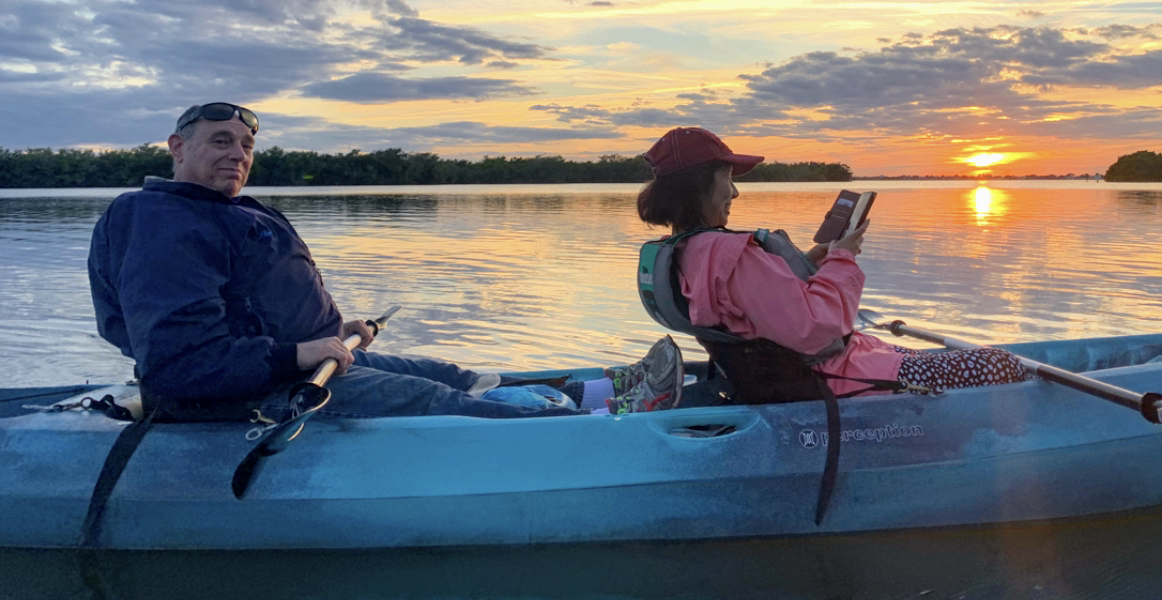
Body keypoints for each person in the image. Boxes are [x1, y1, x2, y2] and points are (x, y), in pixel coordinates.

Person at [88, 102, 682, 421]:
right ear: (177, 147)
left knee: (451, 374)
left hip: (298, 363)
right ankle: (609, 425)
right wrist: (297, 353)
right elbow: (177, 362)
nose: (238, 155)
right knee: (438, 404)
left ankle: (603, 390)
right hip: (248, 393)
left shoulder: (215, 211)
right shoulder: (163, 223)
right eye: (221, 141)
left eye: (246, 146)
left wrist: (328, 331)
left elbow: (253, 300)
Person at [635, 127, 1028, 398]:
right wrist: (843, 257)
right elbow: (816, 330)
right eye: (726, 178)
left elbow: (748, 306)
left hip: (795, 372)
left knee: (926, 358)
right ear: (700, 184)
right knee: (1001, 363)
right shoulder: (732, 254)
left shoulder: (687, 250)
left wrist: (811, 261)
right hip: (831, 378)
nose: (734, 191)